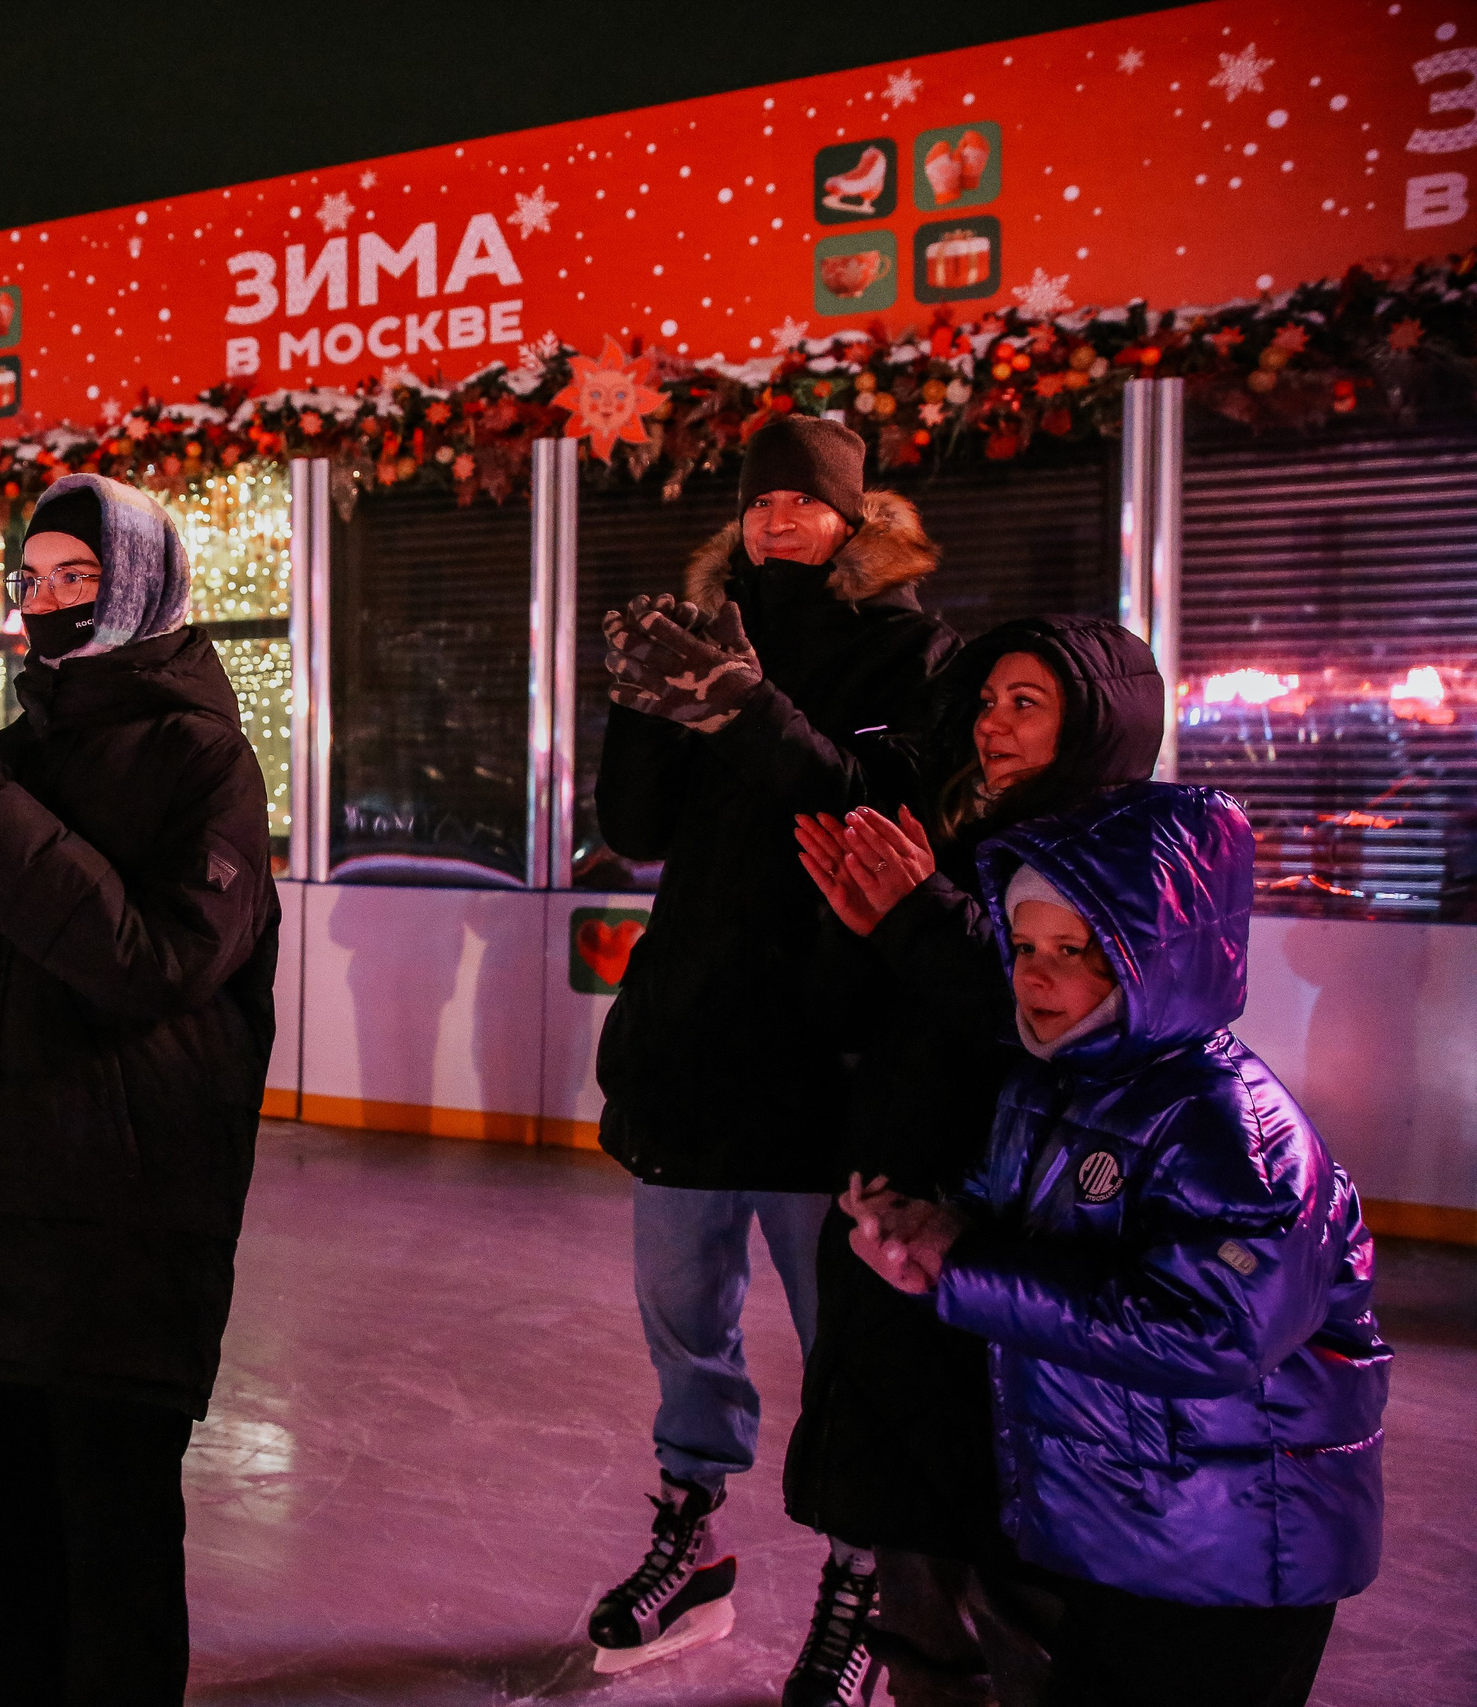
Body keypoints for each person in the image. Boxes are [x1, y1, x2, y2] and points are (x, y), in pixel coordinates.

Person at [0, 473, 279, 1707]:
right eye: (29, 582)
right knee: (1, 1563)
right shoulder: (16, 750)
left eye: (76, 579)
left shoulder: (204, 760)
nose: (45, 604)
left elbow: (154, 967)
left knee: (112, 1570)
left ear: (143, 585)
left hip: (123, 1224)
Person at [844, 782, 1388, 1707]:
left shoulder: (1239, 1136)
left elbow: (1213, 1332)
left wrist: (966, 1271)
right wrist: (925, 1228)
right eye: (1023, 947)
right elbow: (1003, 1213)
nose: (1034, 975)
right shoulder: (1050, 1086)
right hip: (1123, 1528)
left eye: (1075, 951)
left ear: (1158, 955)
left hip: (1238, 1551)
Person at [586, 415, 958, 1704]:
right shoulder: (707, 631)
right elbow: (631, 832)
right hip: (690, 1046)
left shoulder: (908, 649)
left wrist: (746, 707)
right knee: (683, 1322)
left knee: (843, 1344)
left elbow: (872, 811)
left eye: (802, 501)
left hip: (826, 1058)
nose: (775, 519)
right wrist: (642, 705)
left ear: (854, 519)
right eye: (757, 504)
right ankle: (690, 1535)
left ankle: (863, 1584)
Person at [780, 618, 1164, 1707]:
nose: (993, 725)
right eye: (988, 701)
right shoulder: (952, 837)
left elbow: (1038, 1020)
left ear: (1094, 720)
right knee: (907, 1522)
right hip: (902, 1208)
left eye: (1026, 703)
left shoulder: (1119, 862)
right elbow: (858, 1017)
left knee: (1012, 1554)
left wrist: (915, 920)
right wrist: (856, 927)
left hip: (1019, 1224)